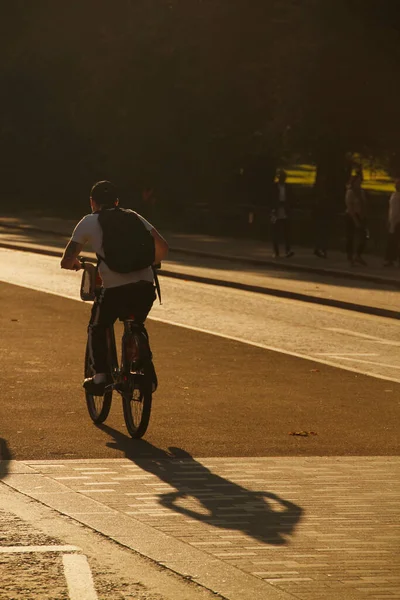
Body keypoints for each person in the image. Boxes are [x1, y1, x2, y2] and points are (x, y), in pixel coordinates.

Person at [60, 180, 169, 396]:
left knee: (98, 326)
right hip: (145, 288)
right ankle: (142, 367)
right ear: (117, 202)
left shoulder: (89, 221)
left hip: (115, 291)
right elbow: (163, 247)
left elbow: (66, 260)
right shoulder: (134, 216)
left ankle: (100, 376)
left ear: (92, 202)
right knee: (136, 323)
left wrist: (77, 264)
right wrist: (150, 261)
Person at [270, 169, 294, 258]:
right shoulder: (274, 187)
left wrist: (287, 206)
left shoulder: (287, 187)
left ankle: (288, 250)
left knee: (286, 232)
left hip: (285, 211)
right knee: (275, 232)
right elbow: (271, 198)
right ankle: (276, 252)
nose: (283, 179)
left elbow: (291, 198)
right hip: (276, 211)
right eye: (281, 177)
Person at [344, 174, 368, 266]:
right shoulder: (350, 192)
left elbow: (364, 204)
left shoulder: (361, 192)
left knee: (364, 236)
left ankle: (358, 255)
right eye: (357, 181)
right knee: (350, 237)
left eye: (360, 181)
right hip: (351, 216)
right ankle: (350, 257)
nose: (359, 183)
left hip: (361, 215)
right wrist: (355, 220)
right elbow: (350, 207)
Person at [384, 179, 400, 266]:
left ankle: (390, 259)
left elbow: (394, 211)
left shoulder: (396, 196)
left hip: (396, 221)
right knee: (394, 241)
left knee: (394, 241)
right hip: (395, 221)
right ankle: (390, 259)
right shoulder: (395, 196)